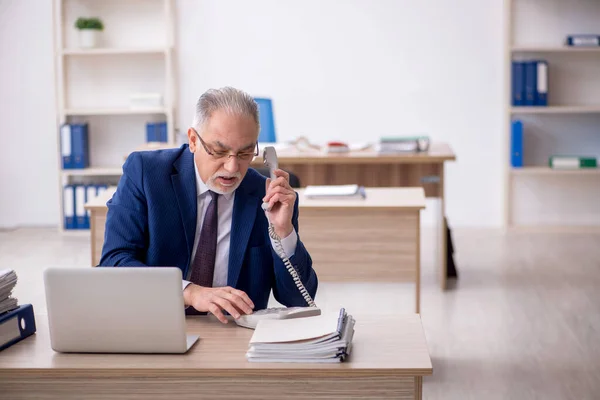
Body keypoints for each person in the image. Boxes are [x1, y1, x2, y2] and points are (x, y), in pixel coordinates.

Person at [99, 87, 318, 323]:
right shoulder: (146, 173)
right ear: (193, 140)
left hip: (232, 337)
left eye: (245, 153)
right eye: (219, 151)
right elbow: (114, 263)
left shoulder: (267, 198)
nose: (232, 167)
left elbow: (298, 300)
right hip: (154, 325)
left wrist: (283, 233)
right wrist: (189, 292)